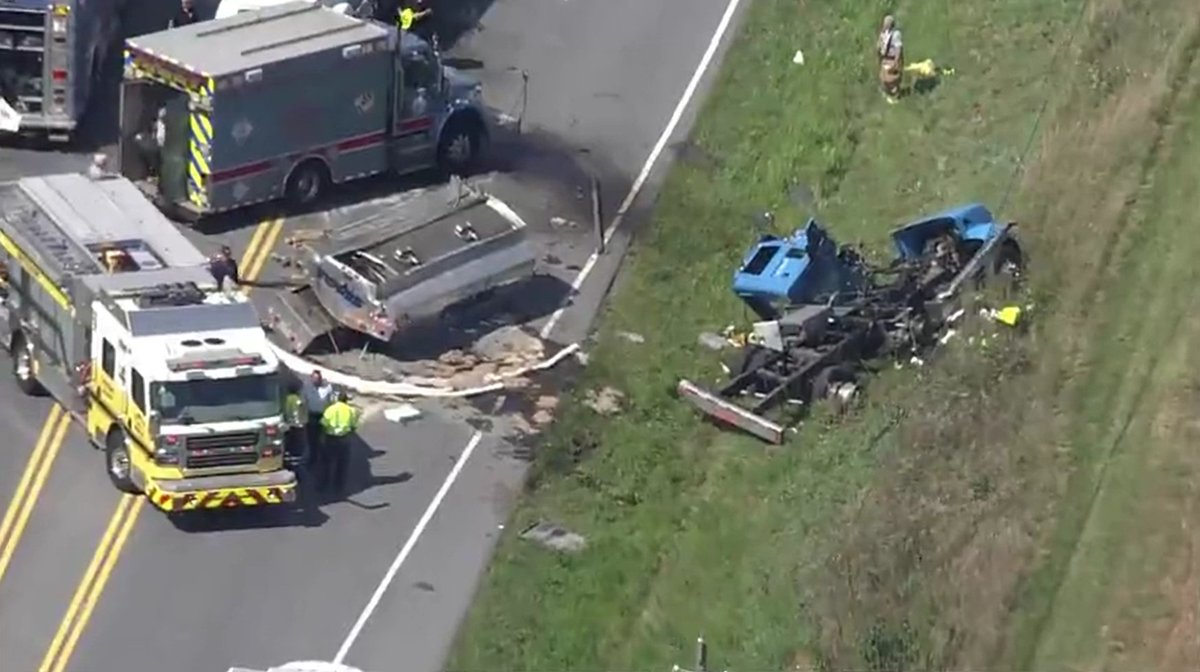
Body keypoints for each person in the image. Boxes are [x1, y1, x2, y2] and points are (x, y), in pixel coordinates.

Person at [319, 390, 360, 493]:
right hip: (344, 439)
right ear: (346, 400)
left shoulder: (330, 409)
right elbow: (354, 426)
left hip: (331, 438)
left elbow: (324, 423)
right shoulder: (351, 411)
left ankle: (323, 485)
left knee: (326, 463)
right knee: (342, 464)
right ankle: (339, 486)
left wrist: (322, 437)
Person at [301, 370, 334, 476]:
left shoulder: (327, 388)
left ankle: (324, 460)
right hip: (311, 416)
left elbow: (331, 401)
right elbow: (303, 401)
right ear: (311, 378)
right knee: (311, 439)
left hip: (323, 416)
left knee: (323, 439)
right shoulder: (306, 387)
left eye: (318, 378)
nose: (316, 380)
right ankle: (313, 458)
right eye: (314, 378)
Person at [876, 14, 904, 102]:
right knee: (884, 77)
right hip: (885, 58)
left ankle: (896, 95)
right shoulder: (883, 33)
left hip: (892, 58)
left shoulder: (895, 34)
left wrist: (897, 61)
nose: (884, 25)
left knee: (893, 78)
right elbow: (879, 45)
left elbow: (898, 48)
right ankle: (889, 93)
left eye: (886, 23)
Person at [282, 379, 309, 470]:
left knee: (289, 445)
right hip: (297, 426)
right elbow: (301, 412)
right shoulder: (298, 400)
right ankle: (297, 465)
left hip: (287, 425)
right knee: (298, 447)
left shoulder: (285, 399)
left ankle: (288, 462)